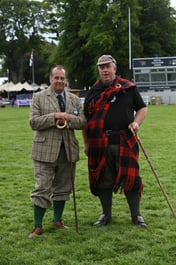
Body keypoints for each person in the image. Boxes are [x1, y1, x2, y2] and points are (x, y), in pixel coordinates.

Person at [82, 55, 148, 228]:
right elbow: (85, 119)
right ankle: (106, 215)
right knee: (103, 179)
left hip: (124, 140)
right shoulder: (94, 91)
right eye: (101, 67)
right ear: (99, 70)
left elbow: (142, 108)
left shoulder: (128, 88)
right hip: (99, 142)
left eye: (107, 66)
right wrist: (87, 143)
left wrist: (136, 122)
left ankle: (136, 215)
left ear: (114, 68)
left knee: (130, 178)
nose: (104, 70)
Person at [29, 65, 86, 238]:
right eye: (57, 78)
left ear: (65, 80)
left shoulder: (74, 99)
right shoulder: (38, 97)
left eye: (62, 78)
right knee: (42, 188)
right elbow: (33, 122)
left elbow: (82, 122)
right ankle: (37, 226)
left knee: (63, 187)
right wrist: (54, 116)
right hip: (44, 151)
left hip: (68, 151)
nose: (60, 81)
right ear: (50, 79)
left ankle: (57, 220)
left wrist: (69, 119)